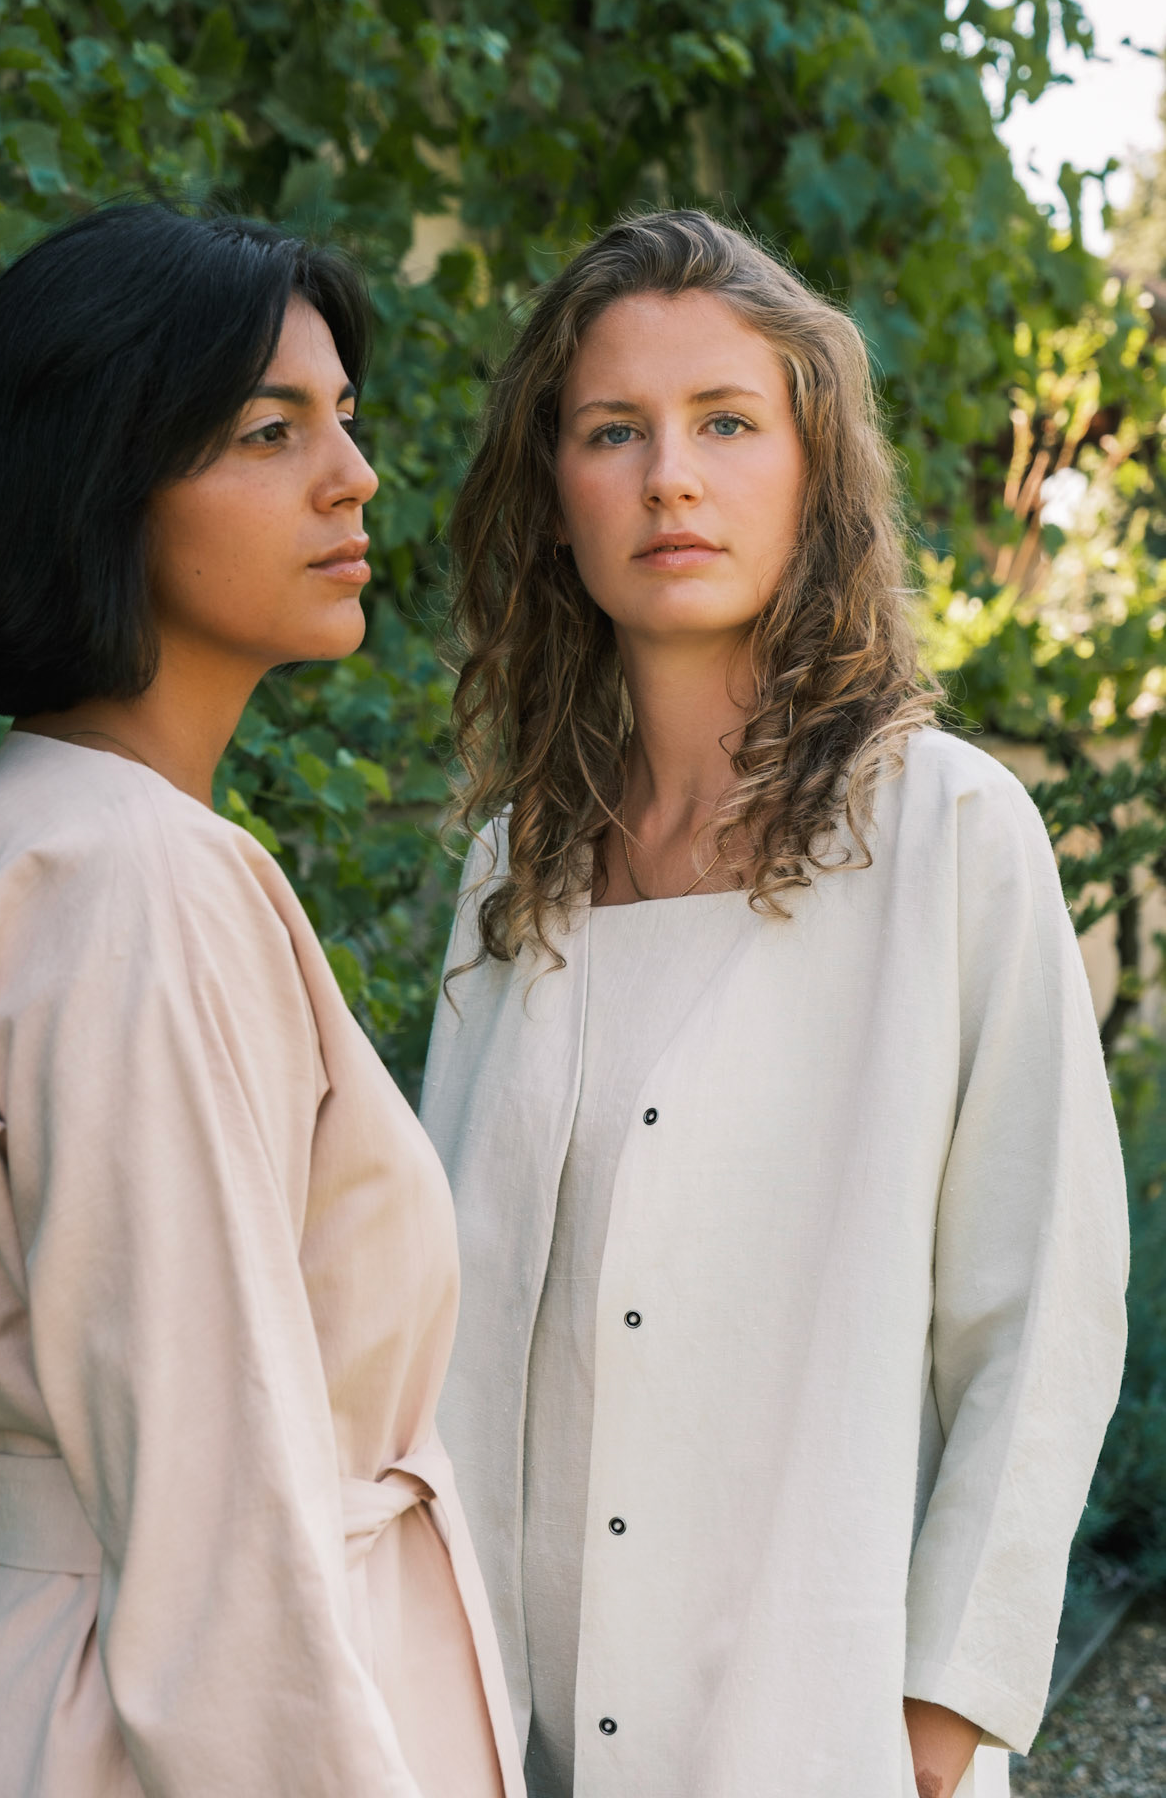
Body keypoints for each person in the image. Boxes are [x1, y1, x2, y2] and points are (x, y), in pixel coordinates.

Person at [418, 210, 1129, 1798]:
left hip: (822, 1733)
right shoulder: (512, 870)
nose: (669, 476)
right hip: (510, 1735)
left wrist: (941, 1710)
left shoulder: (946, 834)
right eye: (613, 430)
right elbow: (453, 1326)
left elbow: (1040, 1307)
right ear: (553, 497)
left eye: (727, 423)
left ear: (815, 481)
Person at [0, 202, 523, 1798]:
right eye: (266, 431)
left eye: (343, 419)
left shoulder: (45, 834)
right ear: (99, 479)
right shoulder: (130, 882)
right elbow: (213, 1520)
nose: (351, 475)